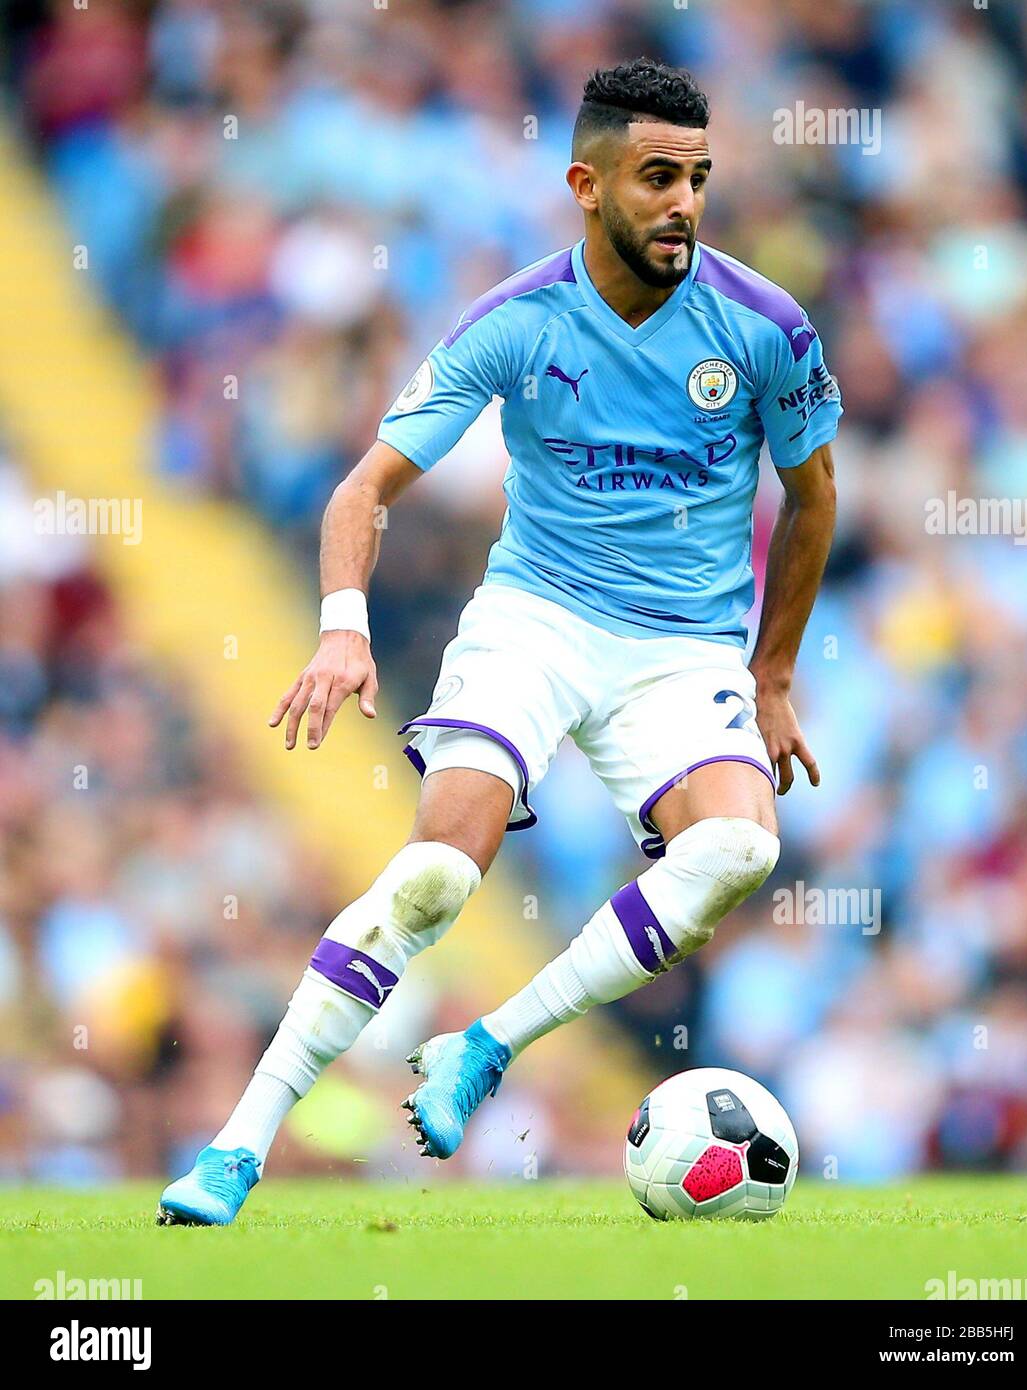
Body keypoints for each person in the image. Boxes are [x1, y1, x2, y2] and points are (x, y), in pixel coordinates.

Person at [158, 56, 840, 1226]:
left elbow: (815, 496)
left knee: (737, 851)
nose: (682, 202)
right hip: (535, 621)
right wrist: (339, 631)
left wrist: (771, 674)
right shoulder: (517, 321)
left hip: (681, 654)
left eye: (698, 179)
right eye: (656, 177)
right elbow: (363, 486)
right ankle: (238, 1144)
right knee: (430, 879)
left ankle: (485, 1043)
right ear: (587, 184)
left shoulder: (764, 326)